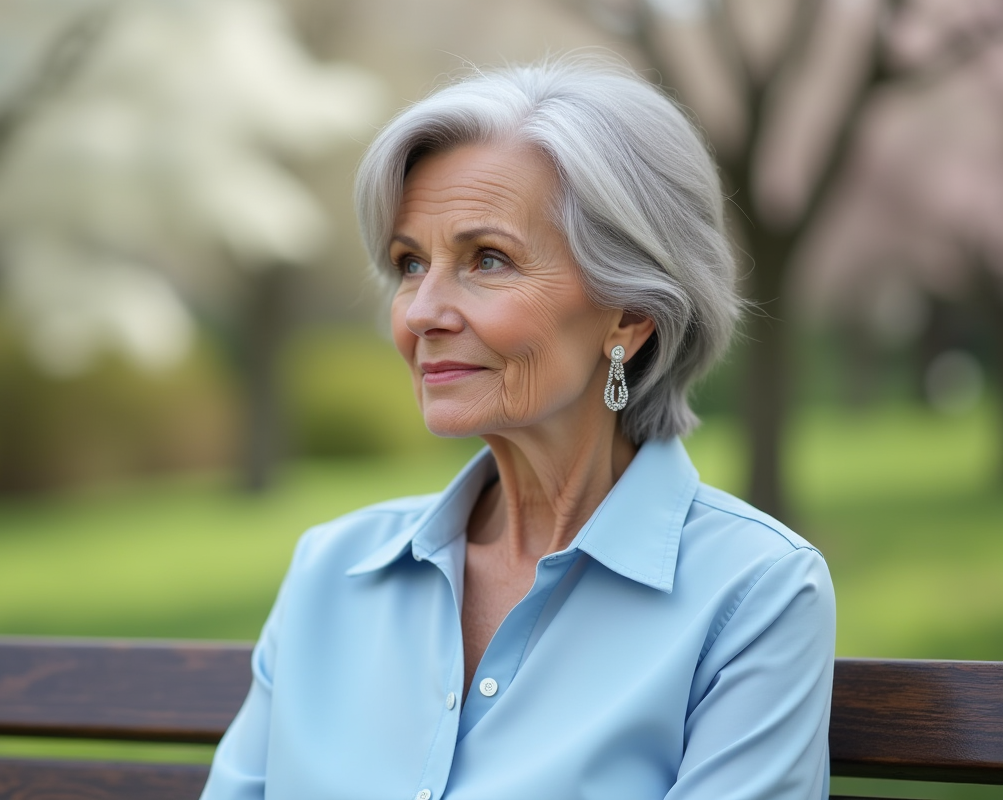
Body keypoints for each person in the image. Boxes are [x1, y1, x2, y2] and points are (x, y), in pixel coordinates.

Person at [201, 58, 836, 800]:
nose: (421, 312)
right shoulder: (329, 571)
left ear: (630, 316)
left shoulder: (755, 593)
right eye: (410, 263)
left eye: (488, 260)